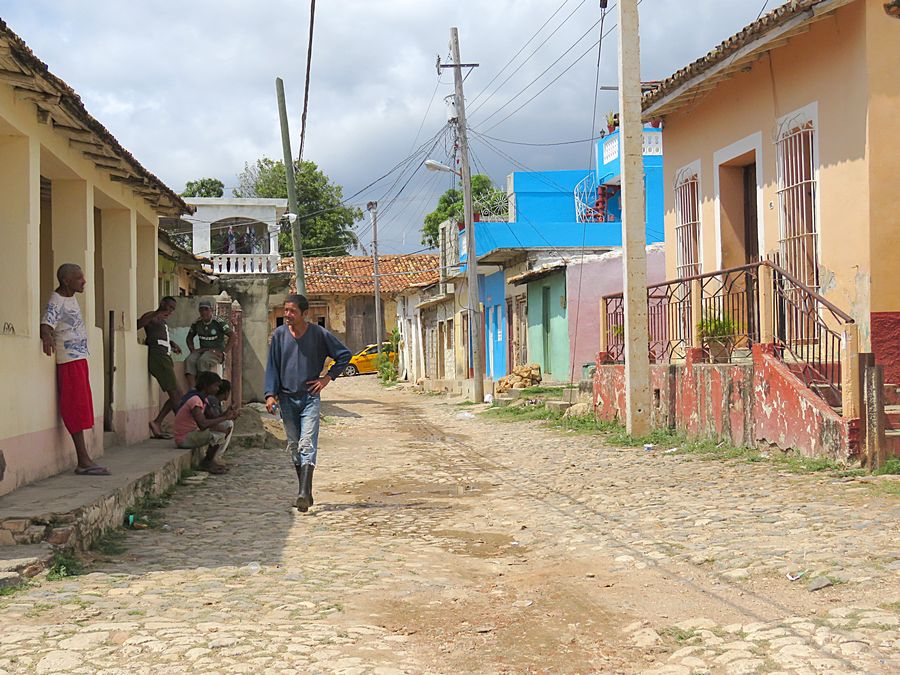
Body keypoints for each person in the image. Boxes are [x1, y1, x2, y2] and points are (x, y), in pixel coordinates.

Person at [264, 294, 351, 512]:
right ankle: (306, 492)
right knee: (294, 445)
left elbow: (344, 355)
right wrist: (270, 394)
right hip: (286, 398)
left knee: (307, 443)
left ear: (305, 314)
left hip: (309, 397)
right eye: (285, 310)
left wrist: (327, 378)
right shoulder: (279, 336)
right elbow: (272, 366)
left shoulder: (319, 334)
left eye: (292, 311)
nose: (287, 315)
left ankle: (303, 493)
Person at [40, 264, 110, 475]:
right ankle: (83, 460)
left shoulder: (71, 298)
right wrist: (47, 337)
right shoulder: (57, 300)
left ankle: (85, 458)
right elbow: (46, 324)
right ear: (66, 281)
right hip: (68, 361)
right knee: (75, 408)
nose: (84, 281)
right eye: (79, 278)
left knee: (82, 406)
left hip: (79, 359)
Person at [173, 371, 237, 475]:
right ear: (206, 386)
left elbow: (212, 418)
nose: (217, 389)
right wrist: (225, 417)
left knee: (223, 428)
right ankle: (207, 462)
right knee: (220, 434)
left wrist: (226, 414)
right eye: (215, 386)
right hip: (184, 438)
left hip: (191, 434)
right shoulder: (195, 400)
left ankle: (210, 460)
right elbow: (202, 424)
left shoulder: (203, 399)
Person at [138, 296, 182, 439]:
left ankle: (157, 422)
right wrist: (157, 312)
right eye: (169, 307)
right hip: (158, 358)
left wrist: (172, 344)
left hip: (165, 356)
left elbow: (160, 337)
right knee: (175, 394)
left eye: (173, 309)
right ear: (163, 304)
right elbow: (139, 324)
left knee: (177, 394)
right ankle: (183, 427)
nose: (170, 311)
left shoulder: (162, 321)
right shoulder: (152, 316)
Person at [184, 300, 232, 389]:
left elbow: (232, 336)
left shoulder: (218, 322)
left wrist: (224, 353)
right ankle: (192, 390)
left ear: (211, 310)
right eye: (201, 310)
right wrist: (193, 350)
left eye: (206, 309)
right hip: (203, 350)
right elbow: (189, 338)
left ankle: (203, 389)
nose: (204, 312)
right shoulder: (197, 323)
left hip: (216, 351)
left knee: (203, 360)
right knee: (189, 360)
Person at [204, 379, 235, 469]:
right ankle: (217, 456)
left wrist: (227, 413)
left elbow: (218, 416)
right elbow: (214, 418)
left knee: (228, 423)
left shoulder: (216, 401)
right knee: (228, 424)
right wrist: (226, 417)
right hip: (206, 425)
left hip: (207, 424)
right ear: (226, 392)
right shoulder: (212, 400)